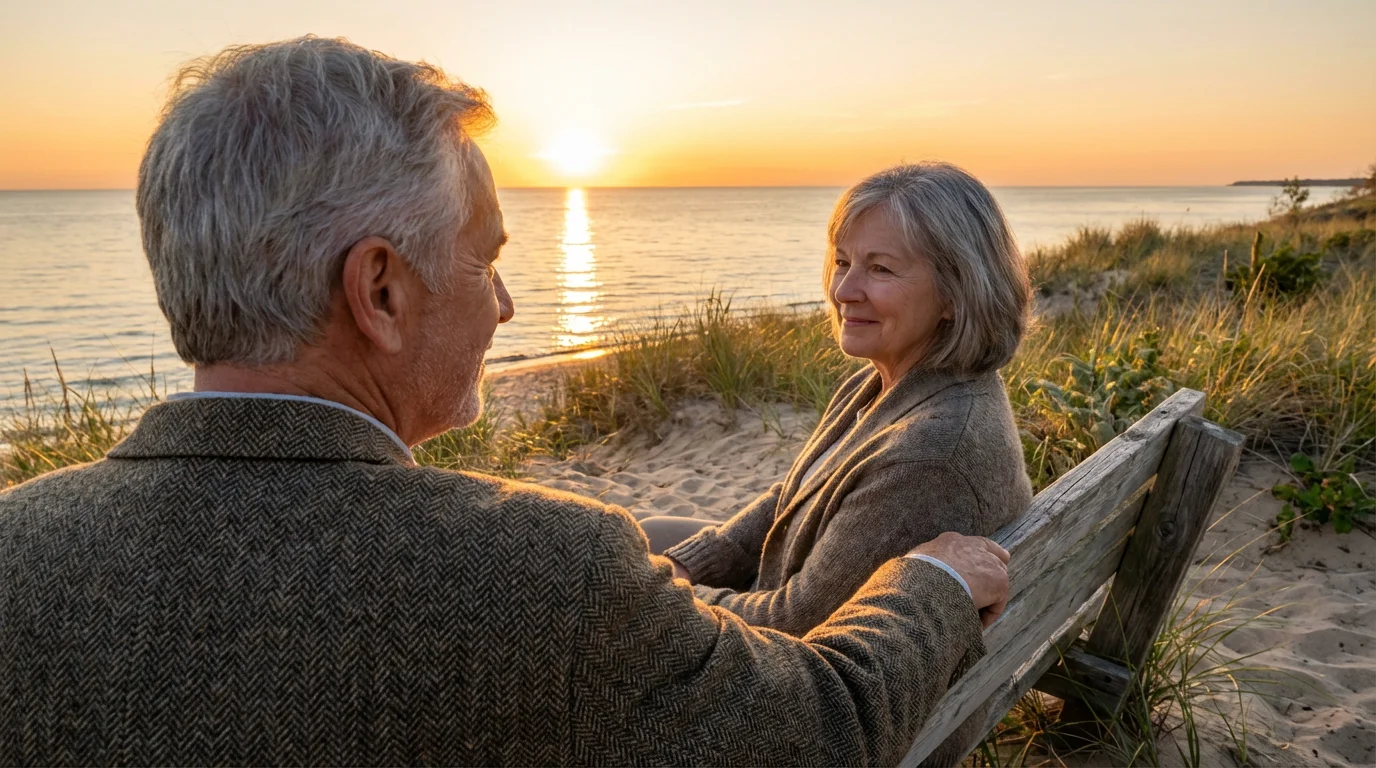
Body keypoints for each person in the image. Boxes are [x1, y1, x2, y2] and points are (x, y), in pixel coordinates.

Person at [0, 37, 1011, 765]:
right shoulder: (544, 575)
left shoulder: (18, 546)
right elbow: (818, 730)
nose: (506, 305)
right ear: (381, 292)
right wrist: (925, 583)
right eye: (484, 264)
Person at [642, 162, 1035, 638]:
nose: (843, 290)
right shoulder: (886, 382)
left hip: (792, 666)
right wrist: (689, 564)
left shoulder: (931, 458)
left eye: (881, 268)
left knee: (621, 568)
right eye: (843, 261)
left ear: (955, 293)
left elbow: (797, 624)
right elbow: (792, 496)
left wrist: (663, 591)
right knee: (647, 535)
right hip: (786, 591)